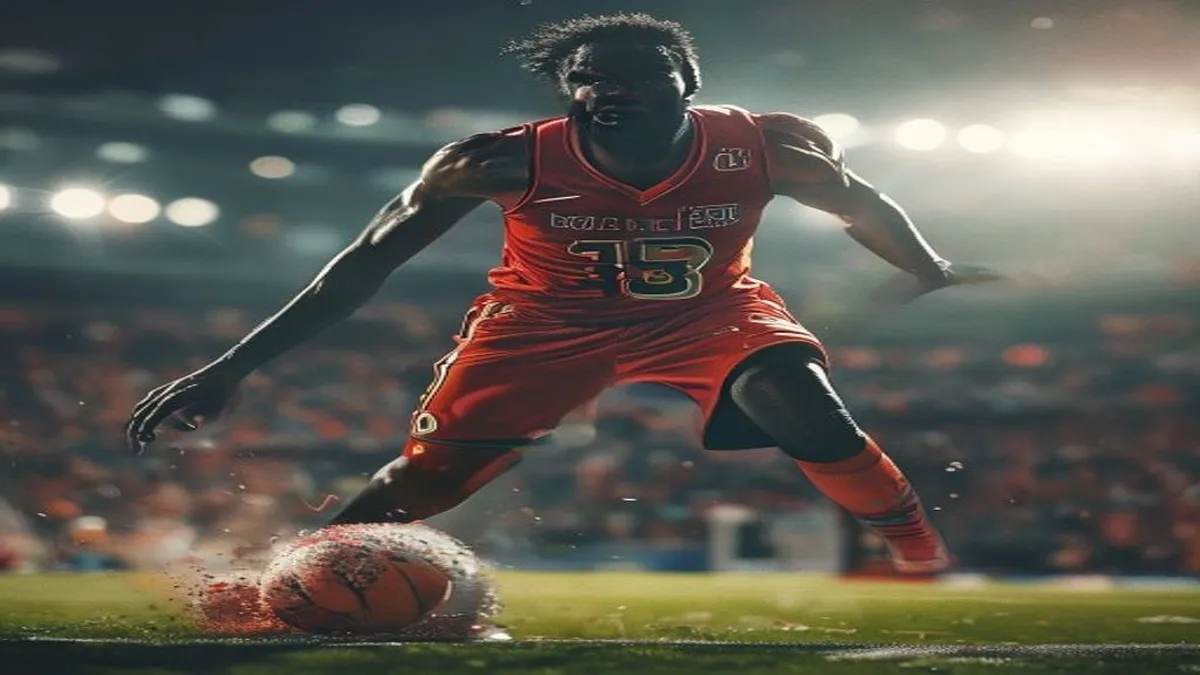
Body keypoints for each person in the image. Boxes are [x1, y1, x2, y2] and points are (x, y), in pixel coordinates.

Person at [127, 13, 999, 574]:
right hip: (543, 322)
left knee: (804, 402)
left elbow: (864, 202)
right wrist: (233, 365)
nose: (609, 87)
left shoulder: (763, 147)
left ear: (686, 85)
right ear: (567, 91)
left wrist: (928, 267)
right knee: (433, 480)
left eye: (637, 74)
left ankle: (915, 549)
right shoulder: (498, 158)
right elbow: (362, 261)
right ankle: (298, 573)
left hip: (708, 310)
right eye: (588, 77)